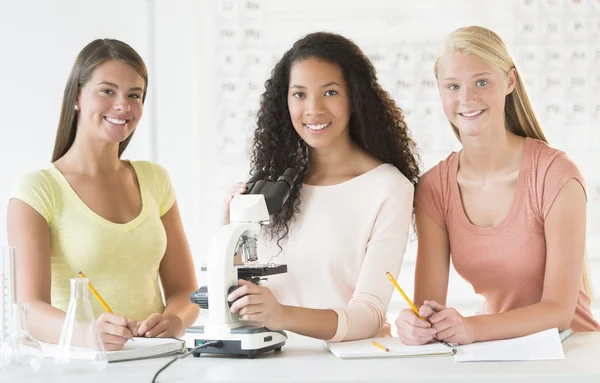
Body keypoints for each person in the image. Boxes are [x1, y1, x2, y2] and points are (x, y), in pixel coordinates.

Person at [395, 26, 599, 346]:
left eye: (481, 82)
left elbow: (559, 311)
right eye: (452, 86)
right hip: (495, 350)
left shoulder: (555, 175)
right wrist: (416, 324)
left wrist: (473, 329)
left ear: (510, 81)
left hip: (573, 350)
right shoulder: (434, 187)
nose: (467, 98)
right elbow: (428, 307)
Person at [222, 32, 420, 342]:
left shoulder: (388, 188)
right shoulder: (272, 187)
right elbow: (241, 295)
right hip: (270, 360)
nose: (313, 109)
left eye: (329, 92)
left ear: (354, 96)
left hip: (346, 365)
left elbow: (369, 315)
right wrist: (229, 233)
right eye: (299, 94)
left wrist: (281, 314)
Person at [7, 39, 198, 351]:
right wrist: (88, 334)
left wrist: (174, 320)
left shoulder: (155, 179)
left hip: (156, 364)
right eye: (107, 91)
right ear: (77, 97)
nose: (123, 105)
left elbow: (185, 291)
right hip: (79, 368)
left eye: (134, 95)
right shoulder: (37, 189)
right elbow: (28, 310)